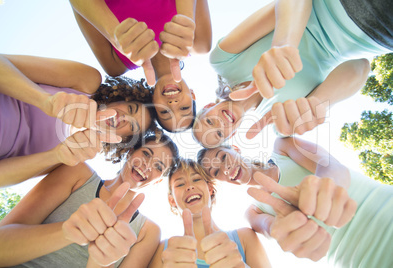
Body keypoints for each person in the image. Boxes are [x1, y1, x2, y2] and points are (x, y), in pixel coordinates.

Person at [192, 0, 392, 148]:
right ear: (232, 134)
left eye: (209, 121)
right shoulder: (283, 121)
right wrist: (318, 102)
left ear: (209, 106)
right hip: (378, 35)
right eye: (219, 134)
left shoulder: (223, 61)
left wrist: (284, 45)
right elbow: (361, 67)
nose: (219, 124)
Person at [197, 137, 393, 267]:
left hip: (385, 209)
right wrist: (289, 230)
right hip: (361, 261)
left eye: (223, 157)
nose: (225, 168)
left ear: (235, 149)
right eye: (216, 172)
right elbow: (273, 229)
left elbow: (329, 165)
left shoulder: (282, 148)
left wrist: (327, 187)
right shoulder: (253, 212)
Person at [0, 133, 179, 267]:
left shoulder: (147, 232)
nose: (147, 165)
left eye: (158, 166)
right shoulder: (77, 173)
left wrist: (100, 262)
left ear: (158, 180)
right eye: (146, 153)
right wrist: (68, 231)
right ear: (130, 153)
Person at [0, 53, 156, 188]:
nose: (124, 119)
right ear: (122, 98)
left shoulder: (74, 158)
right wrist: (44, 100)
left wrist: (56, 156)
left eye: (133, 126)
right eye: (130, 109)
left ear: (124, 139)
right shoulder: (86, 81)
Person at [69, 0, 212, 132]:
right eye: (184, 108)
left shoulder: (115, 64)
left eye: (164, 111)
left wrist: (113, 34)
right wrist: (185, 19)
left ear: (152, 102)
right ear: (192, 94)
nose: (173, 103)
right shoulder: (199, 43)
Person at [148, 158, 271, 267]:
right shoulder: (164, 251)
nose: (189, 187)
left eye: (196, 179)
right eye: (180, 184)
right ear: (172, 200)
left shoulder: (245, 238)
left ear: (210, 189)